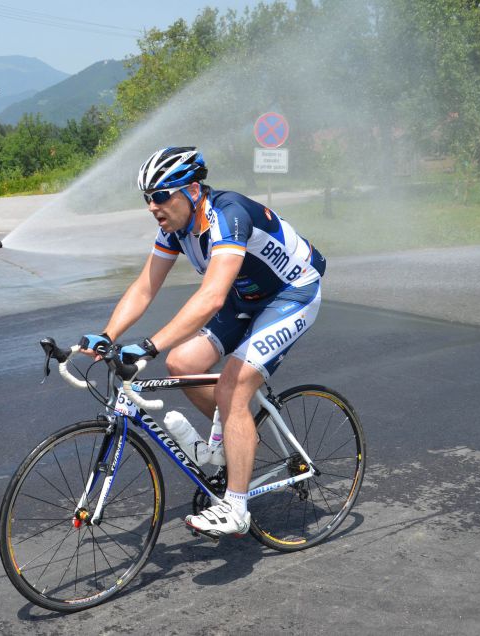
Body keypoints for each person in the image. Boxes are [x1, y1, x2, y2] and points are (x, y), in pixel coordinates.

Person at [82, 146, 325, 540]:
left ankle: (236, 508)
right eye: (148, 198)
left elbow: (211, 297)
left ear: (193, 190)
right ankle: (235, 436)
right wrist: (109, 335)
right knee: (181, 365)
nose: (152, 206)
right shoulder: (174, 230)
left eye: (161, 195)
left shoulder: (228, 215)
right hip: (244, 298)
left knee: (233, 387)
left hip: (291, 294)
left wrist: (148, 345)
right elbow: (145, 287)